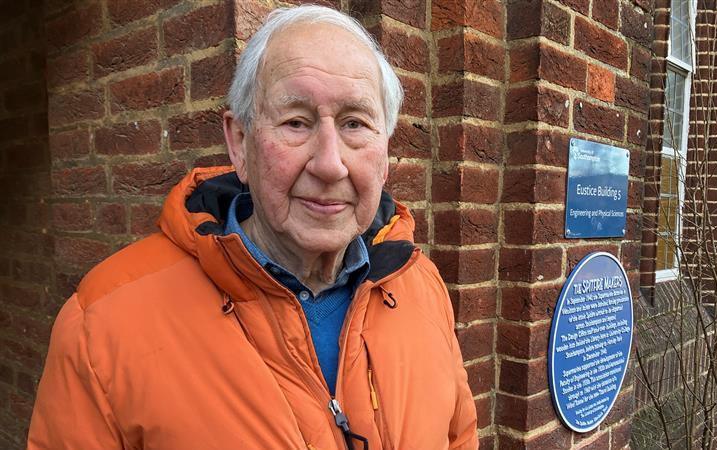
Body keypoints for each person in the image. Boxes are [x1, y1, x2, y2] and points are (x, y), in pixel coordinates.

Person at [27, 5, 478, 450]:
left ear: (383, 155)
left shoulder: (421, 285)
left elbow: (459, 437)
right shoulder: (102, 324)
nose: (329, 163)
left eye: (355, 124)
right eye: (296, 122)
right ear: (240, 143)